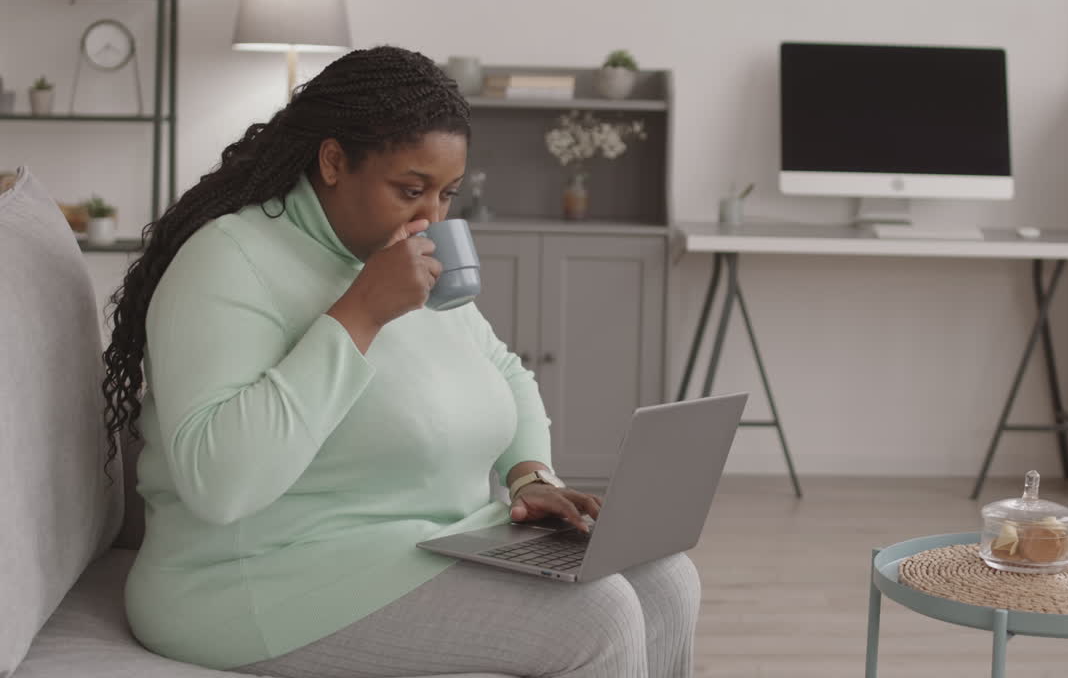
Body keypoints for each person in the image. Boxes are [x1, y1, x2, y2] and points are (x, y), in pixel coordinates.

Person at [101, 46, 700, 678]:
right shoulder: (228, 261)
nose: (431, 217)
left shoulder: (401, 254)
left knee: (667, 580)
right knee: (598, 616)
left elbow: (505, 372)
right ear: (333, 161)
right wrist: (359, 314)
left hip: (421, 541)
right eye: (410, 190)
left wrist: (531, 478)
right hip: (257, 578)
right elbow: (220, 483)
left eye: (446, 194)